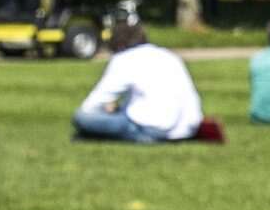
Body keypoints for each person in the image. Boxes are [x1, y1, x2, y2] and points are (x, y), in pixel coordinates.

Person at [74, 19, 210, 143]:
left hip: (150, 128)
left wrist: (90, 107)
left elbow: (96, 101)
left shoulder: (124, 59)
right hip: (184, 130)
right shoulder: (169, 56)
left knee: (81, 116)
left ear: (118, 46)